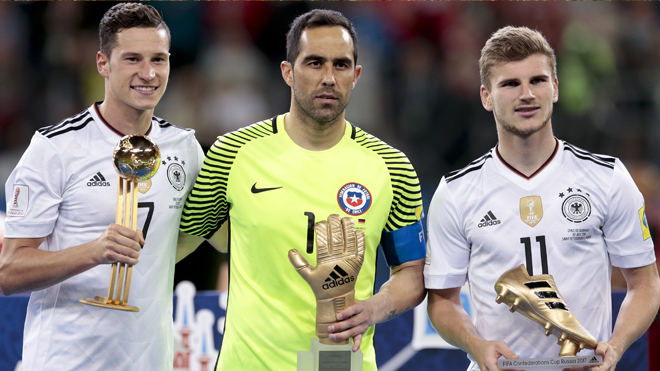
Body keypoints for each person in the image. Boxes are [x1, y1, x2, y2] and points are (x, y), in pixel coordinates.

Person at [177, 9, 427, 371]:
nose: (328, 77)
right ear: (287, 72)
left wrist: (373, 308)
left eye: (341, 65)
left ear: (356, 75)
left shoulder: (392, 167)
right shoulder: (232, 153)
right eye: (314, 63)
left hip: (343, 364)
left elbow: (411, 272)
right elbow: (182, 244)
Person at [424, 26, 660, 371]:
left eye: (537, 80)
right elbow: (443, 301)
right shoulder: (456, 192)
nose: (527, 94)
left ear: (556, 88)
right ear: (486, 97)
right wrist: (477, 346)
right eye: (510, 84)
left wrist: (616, 344)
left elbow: (645, 283)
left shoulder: (608, 177)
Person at [0, 4, 206, 370]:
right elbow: (9, 272)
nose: (148, 73)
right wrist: (92, 251)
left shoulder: (185, 149)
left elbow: (214, 234)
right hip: (64, 362)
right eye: (132, 59)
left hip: (150, 361)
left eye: (159, 59)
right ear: (103, 64)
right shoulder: (55, 148)